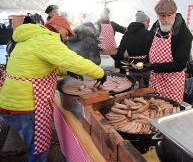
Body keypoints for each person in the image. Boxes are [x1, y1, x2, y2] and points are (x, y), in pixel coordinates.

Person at [0, 16, 106, 162]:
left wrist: (66, 72)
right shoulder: (47, 39)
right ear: (58, 27)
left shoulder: (33, 37)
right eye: (66, 33)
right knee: (39, 149)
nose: (66, 38)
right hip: (26, 106)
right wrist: (99, 73)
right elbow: (72, 60)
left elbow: (39, 66)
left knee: (31, 142)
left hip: (9, 102)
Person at [142, 0, 193, 102]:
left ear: (175, 14)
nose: (165, 20)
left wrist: (153, 66)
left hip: (172, 82)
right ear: (157, 15)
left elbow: (180, 64)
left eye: (169, 15)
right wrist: (144, 62)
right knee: (153, 107)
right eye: (162, 16)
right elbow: (151, 52)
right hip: (155, 80)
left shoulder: (183, 34)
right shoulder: (155, 28)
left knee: (170, 111)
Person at [117, 11, 151, 87]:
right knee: (150, 90)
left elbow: (120, 52)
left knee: (135, 89)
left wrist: (122, 65)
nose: (149, 25)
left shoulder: (127, 34)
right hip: (146, 67)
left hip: (133, 66)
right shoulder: (148, 33)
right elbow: (153, 50)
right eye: (148, 22)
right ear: (142, 22)